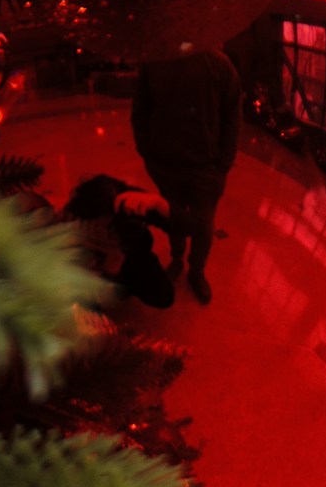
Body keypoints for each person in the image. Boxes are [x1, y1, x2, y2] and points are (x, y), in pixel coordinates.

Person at [131, 43, 241, 304]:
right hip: (166, 164)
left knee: (202, 225)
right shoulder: (155, 61)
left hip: (205, 168)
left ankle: (197, 269)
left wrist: (222, 162)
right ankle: (177, 256)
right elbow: (141, 110)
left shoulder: (220, 66)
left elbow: (232, 118)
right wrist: (148, 151)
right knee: (173, 216)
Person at [64, 174, 174, 309]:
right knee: (83, 303)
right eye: (98, 224)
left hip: (125, 260)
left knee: (163, 296)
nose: (105, 232)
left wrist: (117, 261)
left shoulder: (128, 225)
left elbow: (144, 245)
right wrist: (108, 269)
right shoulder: (70, 226)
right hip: (90, 271)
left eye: (110, 226)